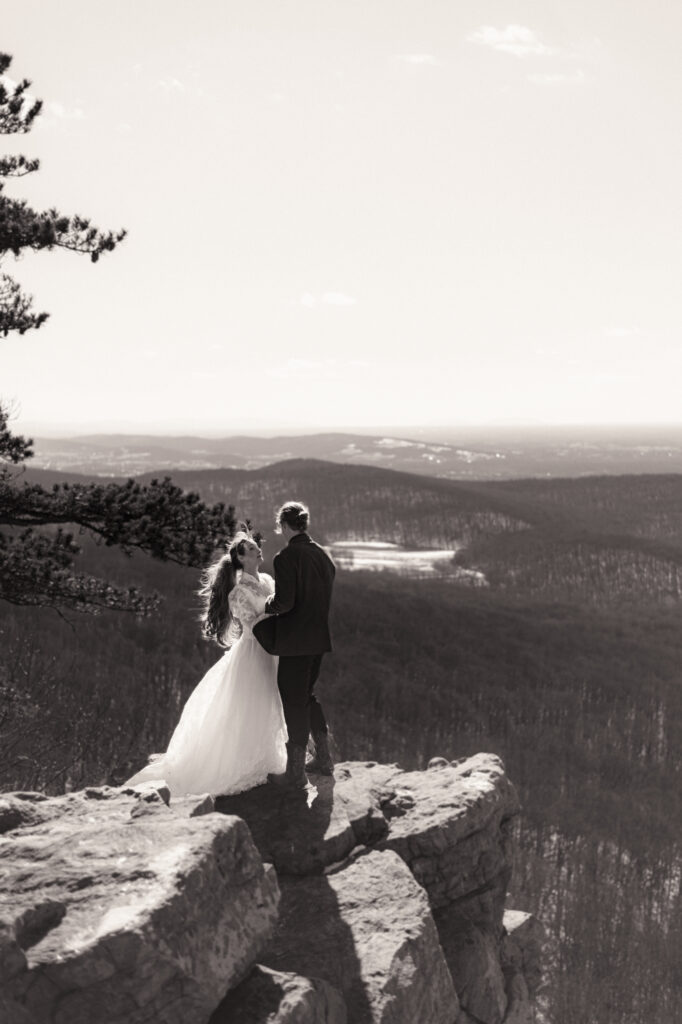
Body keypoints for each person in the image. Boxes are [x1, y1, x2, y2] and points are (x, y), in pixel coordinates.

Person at [125, 532, 287, 797]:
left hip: (273, 651)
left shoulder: (268, 580)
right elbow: (251, 623)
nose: (258, 548)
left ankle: (268, 760)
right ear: (241, 557)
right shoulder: (237, 592)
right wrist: (278, 615)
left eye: (256, 545)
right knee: (250, 707)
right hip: (254, 653)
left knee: (271, 702)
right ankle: (245, 765)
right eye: (250, 547)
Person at [253, 501, 336, 790]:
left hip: (295, 642)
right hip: (318, 639)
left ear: (285, 526)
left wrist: (266, 606)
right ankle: (324, 760)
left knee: (293, 702)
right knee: (308, 697)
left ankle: (295, 773)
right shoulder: (323, 555)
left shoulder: (287, 557)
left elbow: (284, 603)